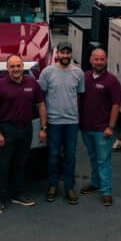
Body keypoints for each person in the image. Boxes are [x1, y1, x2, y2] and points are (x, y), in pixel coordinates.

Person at [0, 53, 48, 214]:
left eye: (18, 66)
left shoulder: (32, 83)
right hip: (6, 129)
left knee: (20, 164)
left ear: (22, 67)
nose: (16, 69)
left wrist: (43, 128)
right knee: (2, 165)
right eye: (12, 66)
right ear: (7, 68)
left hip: (26, 129)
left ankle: (18, 194)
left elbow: (41, 105)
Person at [39, 41, 85, 204]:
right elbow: (41, 99)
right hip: (53, 121)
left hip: (72, 122)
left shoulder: (78, 73)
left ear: (71, 54)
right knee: (53, 156)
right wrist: (43, 125)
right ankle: (52, 186)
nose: (65, 56)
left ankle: (69, 188)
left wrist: (74, 114)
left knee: (70, 156)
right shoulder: (47, 72)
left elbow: (79, 96)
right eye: (62, 53)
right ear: (56, 54)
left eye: (68, 53)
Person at [79, 47, 121, 206]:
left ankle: (106, 191)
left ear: (106, 61)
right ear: (91, 60)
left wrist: (111, 127)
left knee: (103, 160)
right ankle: (95, 183)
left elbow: (116, 105)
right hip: (86, 127)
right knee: (93, 157)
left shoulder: (112, 81)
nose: (99, 62)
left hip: (102, 129)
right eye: (96, 59)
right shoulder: (84, 77)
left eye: (101, 59)